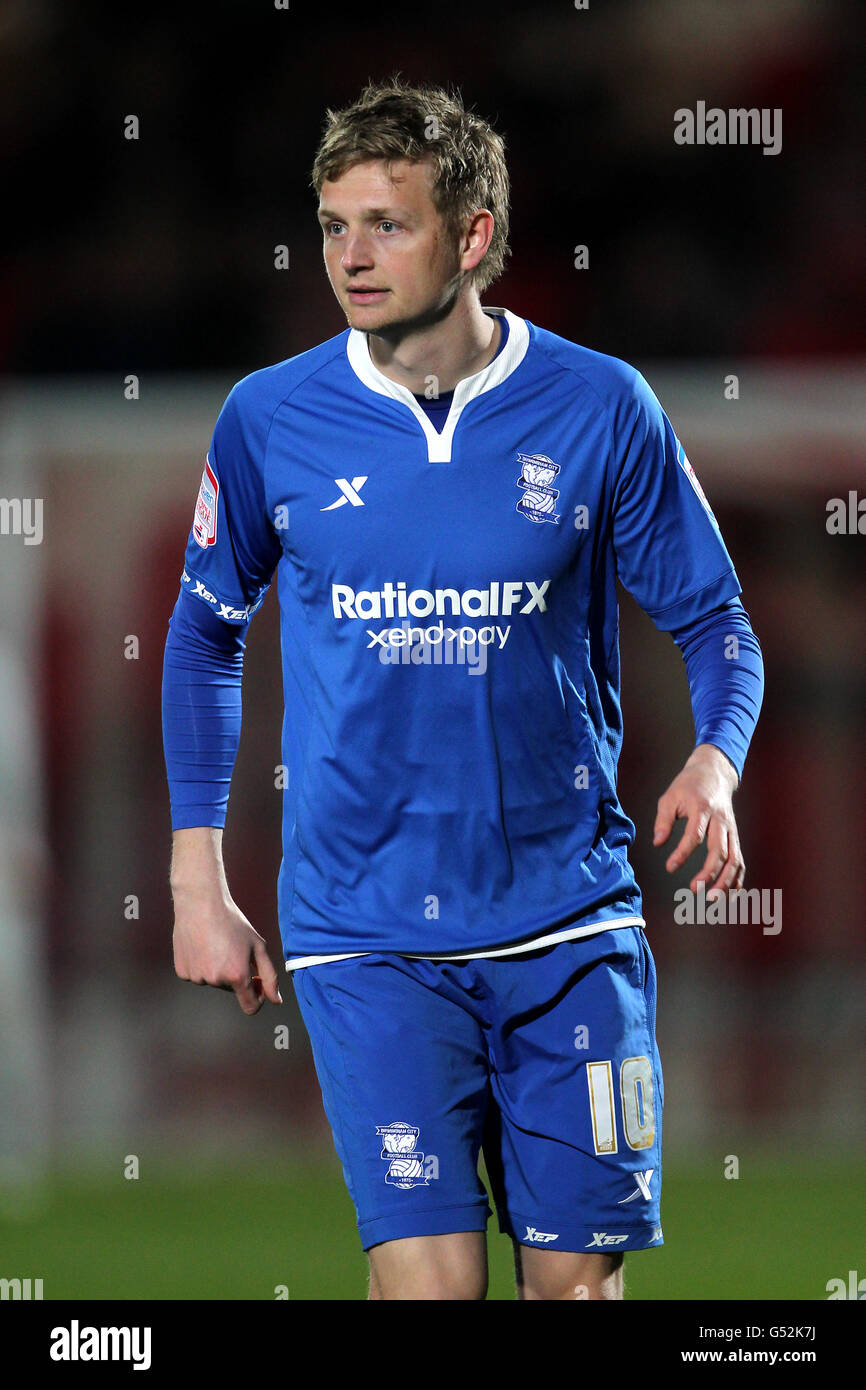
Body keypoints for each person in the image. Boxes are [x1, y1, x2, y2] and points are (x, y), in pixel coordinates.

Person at [162, 76, 764, 1301]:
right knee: (430, 1288)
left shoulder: (600, 409)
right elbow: (200, 640)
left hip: (567, 921)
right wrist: (195, 883)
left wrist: (715, 756)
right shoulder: (267, 419)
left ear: (473, 235)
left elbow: (715, 620)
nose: (351, 255)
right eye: (334, 225)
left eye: (387, 222)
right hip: (363, 928)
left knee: (572, 1288)